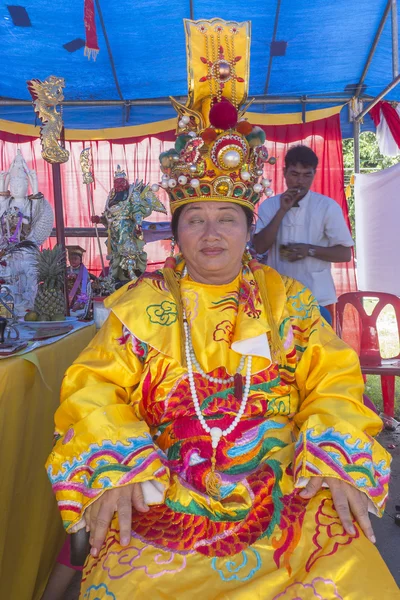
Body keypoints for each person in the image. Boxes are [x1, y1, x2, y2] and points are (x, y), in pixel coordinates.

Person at [46, 18, 399, 600]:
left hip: (282, 486)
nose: (212, 233)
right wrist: (121, 467)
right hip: (164, 490)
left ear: (246, 227)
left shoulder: (288, 302)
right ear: (176, 231)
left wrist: (337, 459)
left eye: (227, 218)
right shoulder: (141, 306)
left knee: (354, 578)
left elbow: (334, 382)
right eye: (196, 219)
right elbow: (93, 391)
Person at [253, 145, 353, 325]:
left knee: (320, 352)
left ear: (314, 174)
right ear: (284, 173)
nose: (300, 181)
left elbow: (345, 254)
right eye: (295, 174)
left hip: (317, 297)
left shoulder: (327, 207)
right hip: (278, 296)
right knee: (281, 351)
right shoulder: (270, 206)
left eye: (307, 175)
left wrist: (309, 250)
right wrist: (282, 210)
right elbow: (259, 247)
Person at [0, 150, 53, 315]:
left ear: (26, 186)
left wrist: (35, 183)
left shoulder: (30, 204)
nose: (16, 188)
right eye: (13, 185)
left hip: (27, 250)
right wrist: (2, 184)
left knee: (29, 280)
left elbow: (38, 211)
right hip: (8, 251)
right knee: (8, 282)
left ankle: (29, 307)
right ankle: (8, 308)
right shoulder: (7, 202)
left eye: (20, 184)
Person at [66, 245, 95, 314]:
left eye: (75, 258)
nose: (73, 260)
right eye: (71, 258)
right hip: (66, 297)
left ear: (80, 260)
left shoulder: (84, 272)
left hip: (78, 297)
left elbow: (86, 287)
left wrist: (76, 277)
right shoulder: (66, 270)